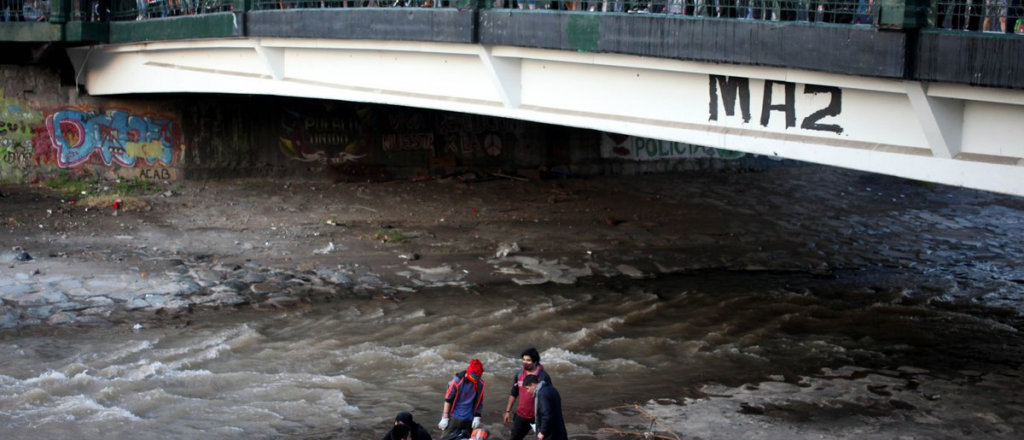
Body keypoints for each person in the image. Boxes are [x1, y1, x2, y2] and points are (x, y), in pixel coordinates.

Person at [503, 348, 553, 440]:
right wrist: (507, 411)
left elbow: (550, 397)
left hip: (538, 417)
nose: (525, 362)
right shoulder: (519, 374)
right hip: (521, 416)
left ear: (535, 361)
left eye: (528, 360)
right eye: (524, 360)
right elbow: (514, 393)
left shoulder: (543, 377)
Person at [439, 359, 486, 438]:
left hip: (469, 418)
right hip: (454, 417)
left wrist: (477, 417)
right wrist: (445, 417)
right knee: (445, 438)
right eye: (474, 377)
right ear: (469, 372)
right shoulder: (456, 382)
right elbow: (448, 399)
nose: (475, 380)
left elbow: (479, 401)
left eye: (478, 377)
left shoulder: (479, 384)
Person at [522, 375, 567, 440]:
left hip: (550, 433)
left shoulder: (541, 394)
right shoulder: (552, 389)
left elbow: (546, 415)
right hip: (559, 429)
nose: (528, 391)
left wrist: (542, 432)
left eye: (527, 388)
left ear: (533, 385)